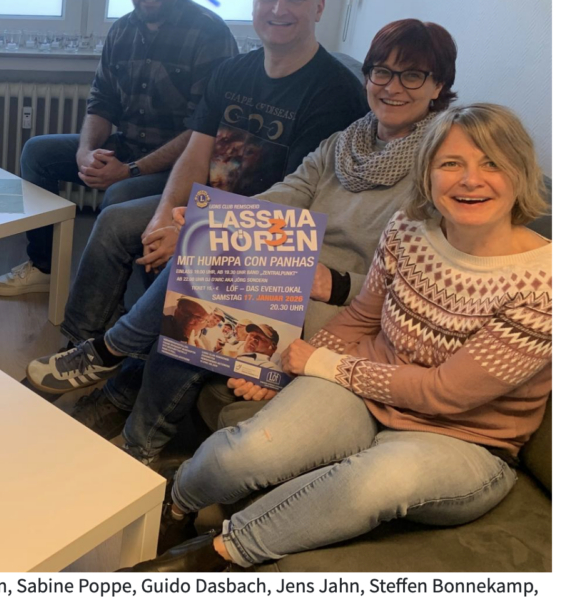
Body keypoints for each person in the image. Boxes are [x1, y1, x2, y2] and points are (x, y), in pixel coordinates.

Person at [126, 102, 551, 572]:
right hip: (362, 393)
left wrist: (322, 364)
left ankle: (211, 556)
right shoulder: (408, 229)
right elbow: (362, 318)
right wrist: (285, 368)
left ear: (520, 173)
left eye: (492, 163)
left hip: (466, 440)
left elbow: (444, 391)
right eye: (451, 163)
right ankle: (175, 503)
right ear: (428, 173)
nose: (470, 180)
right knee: (248, 451)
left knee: (373, 481)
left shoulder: (545, 283)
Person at [39, 20, 461, 469]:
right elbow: (290, 191)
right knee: (201, 270)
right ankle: (136, 437)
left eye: (412, 76)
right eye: (382, 72)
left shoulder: (440, 167)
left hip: (346, 304)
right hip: (286, 266)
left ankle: (113, 361)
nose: (392, 87)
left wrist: (336, 282)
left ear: (438, 86)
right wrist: (215, 220)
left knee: (208, 292)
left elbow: (415, 285)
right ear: (368, 76)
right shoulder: (347, 141)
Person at [27, 0, 366, 394]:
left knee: (177, 250)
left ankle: (117, 358)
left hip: (269, 237)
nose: (278, 9)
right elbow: (195, 154)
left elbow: (295, 204)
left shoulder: (336, 93)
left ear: (319, 7)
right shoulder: (234, 72)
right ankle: (82, 345)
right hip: (210, 210)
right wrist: (165, 215)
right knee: (116, 222)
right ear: (254, 2)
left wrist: (194, 232)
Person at [0, 0, 237, 297]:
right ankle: (44, 267)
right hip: (128, 148)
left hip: (181, 167)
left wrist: (130, 170)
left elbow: (202, 131)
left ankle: (114, 302)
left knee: (120, 194)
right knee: (37, 153)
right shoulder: (121, 31)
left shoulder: (210, 34)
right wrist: (85, 153)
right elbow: (101, 102)